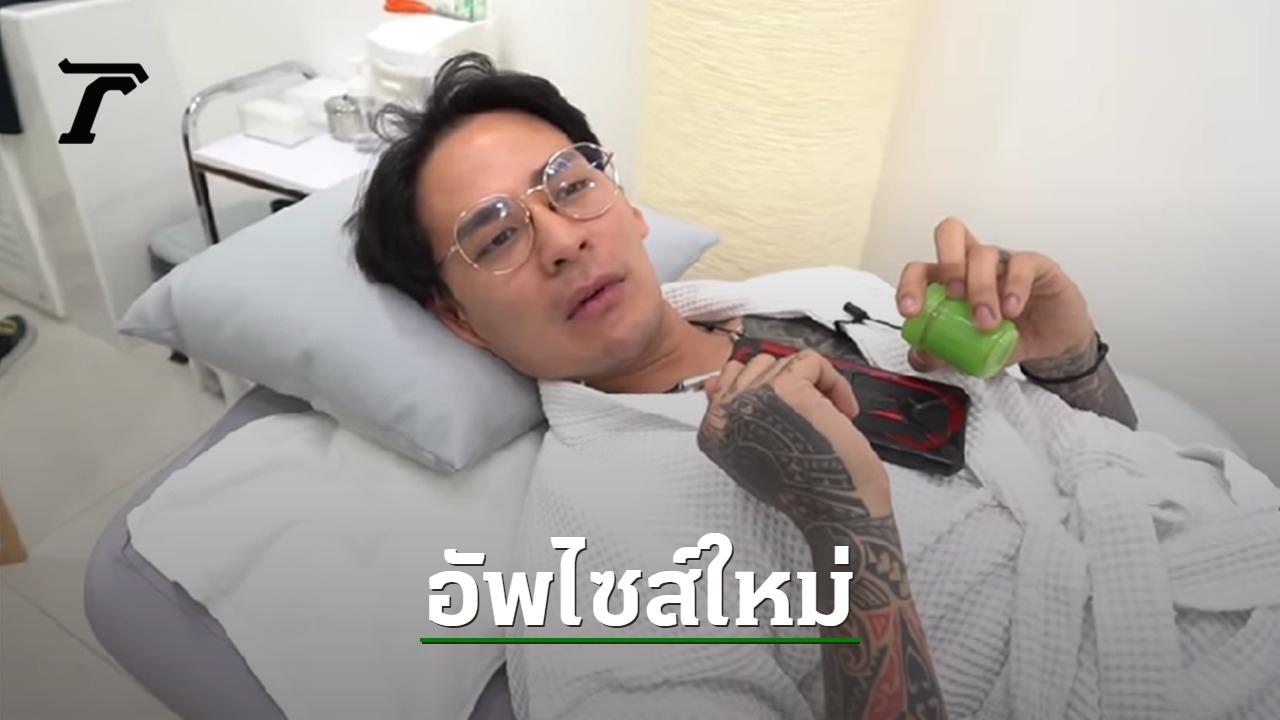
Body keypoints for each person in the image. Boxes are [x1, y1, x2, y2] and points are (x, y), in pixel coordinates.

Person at [349, 52, 1280, 720]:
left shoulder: (828, 290)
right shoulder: (596, 559)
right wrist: (844, 530)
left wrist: (1069, 358)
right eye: (496, 236)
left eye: (568, 183)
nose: (560, 238)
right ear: (458, 318)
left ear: (625, 202)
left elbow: (1102, 456)